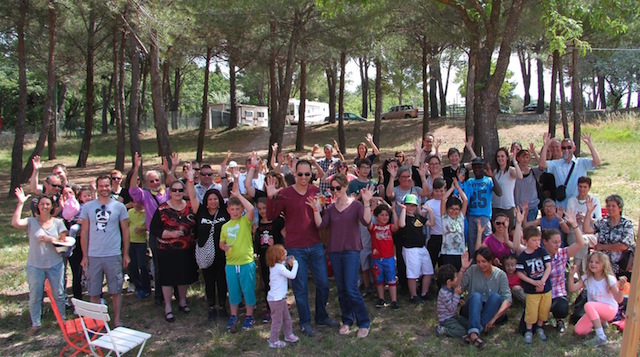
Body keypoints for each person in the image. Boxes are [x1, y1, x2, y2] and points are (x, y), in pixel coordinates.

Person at [266, 159, 338, 337]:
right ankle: (305, 322)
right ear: (294, 174)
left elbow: (320, 215)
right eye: (300, 174)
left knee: (322, 283)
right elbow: (270, 215)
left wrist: (321, 208)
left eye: (307, 174)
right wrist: (270, 197)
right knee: (300, 287)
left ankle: (321, 316)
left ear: (311, 174)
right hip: (295, 248)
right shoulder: (285, 193)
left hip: (315, 245)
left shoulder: (315, 191)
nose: (304, 177)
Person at [308, 174, 373, 338]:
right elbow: (321, 225)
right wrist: (316, 209)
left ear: (345, 187)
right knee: (342, 289)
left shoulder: (356, 205)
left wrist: (366, 203)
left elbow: (366, 222)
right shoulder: (330, 208)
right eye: (332, 188)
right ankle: (347, 320)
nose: (335, 191)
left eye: (338, 187)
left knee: (351, 288)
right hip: (335, 251)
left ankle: (364, 322)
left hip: (352, 251)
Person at [514, 206, 584, 334]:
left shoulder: (563, 253)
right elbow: (516, 245)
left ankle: (559, 320)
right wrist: (519, 223)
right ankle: (536, 314)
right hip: (536, 293)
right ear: (544, 242)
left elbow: (580, 243)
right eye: (554, 242)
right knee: (524, 330)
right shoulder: (535, 252)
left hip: (556, 293)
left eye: (559, 242)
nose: (558, 245)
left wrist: (574, 225)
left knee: (562, 309)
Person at [11, 188, 68, 334]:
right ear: (38, 206)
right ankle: (36, 324)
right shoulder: (31, 222)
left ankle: (61, 320)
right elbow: (15, 223)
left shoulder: (58, 223)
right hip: (35, 265)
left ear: (52, 207)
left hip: (55, 264)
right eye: (42, 204)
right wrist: (20, 203)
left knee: (59, 294)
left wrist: (50, 239)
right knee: (35, 295)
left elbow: (64, 243)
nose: (45, 207)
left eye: (47, 204)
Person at [79, 175, 130, 328]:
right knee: (93, 292)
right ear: (97, 187)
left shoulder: (119, 207)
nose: (104, 189)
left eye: (107, 185)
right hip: (93, 255)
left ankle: (117, 320)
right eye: (101, 186)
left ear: (111, 186)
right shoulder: (88, 207)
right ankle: (96, 322)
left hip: (113, 254)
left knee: (115, 290)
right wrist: (84, 255)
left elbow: (126, 230)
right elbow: (84, 232)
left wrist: (125, 253)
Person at [129, 152, 178, 305]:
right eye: (151, 181)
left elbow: (178, 186)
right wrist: (136, 167)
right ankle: (159, 296)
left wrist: (171, 168)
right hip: (155, 235)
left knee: (174, 263)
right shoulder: (144, 195)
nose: (155, 183)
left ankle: (176, 293)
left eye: (157, 180)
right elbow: (132, 189)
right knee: (158, 265)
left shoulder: (168, 193)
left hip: (172, 233)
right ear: (146, 183)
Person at [186, 165, 231, 321]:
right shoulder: (201, 211)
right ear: (206, 200)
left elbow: (231, 196)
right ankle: (211, 307)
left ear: (219, 200)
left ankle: (222, 306)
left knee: (222, 280)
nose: (213, 201)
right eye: (210, 199)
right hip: (206, 251)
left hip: (223, 252)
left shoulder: (225, 212)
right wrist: (190, 179)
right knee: (209, 280)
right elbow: (192, 197)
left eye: (215, 199)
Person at [149, 180, 198, 323]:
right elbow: (154, 229)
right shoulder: (162, 208)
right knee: (167, 279)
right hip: (166, 249)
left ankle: (183, 302)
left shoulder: (190, 207)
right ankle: (168, 306)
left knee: (183, 276)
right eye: (174, 190)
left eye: (180, 190)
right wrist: (170, 234)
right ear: (170, 192)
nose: (177, 193)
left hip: (186, 249)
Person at [220, 183, 257, 331]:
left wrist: (239, 196)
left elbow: (251, 209)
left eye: (238, 209)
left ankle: (249, 316)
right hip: (230, 264)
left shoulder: (245, 222)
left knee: (248, 290)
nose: (235, 212)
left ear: (241, 210)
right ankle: (234, 316)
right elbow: (221, 242)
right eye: (232, 209)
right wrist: (224, 246)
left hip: (246, 262)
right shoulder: (225, 226)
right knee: (233, 291)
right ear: (228, 210)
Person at [567, 252, 626, 346]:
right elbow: (572, 288)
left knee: (588, 305)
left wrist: (621, 288)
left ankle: (601, 336)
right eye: (591, 261)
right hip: (594, 310)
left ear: (603, 265)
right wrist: (571, 275)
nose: (593, 264)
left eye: (597, 262)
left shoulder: (609, 279)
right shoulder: (587, 277)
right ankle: (601, 323)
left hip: (609, 309)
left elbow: (619, 300)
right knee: (579, 331)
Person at [459, 248, 512, 349]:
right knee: (476, 296)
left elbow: (508, 300)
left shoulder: (500, 275)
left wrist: (494, 318)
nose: (481, 265)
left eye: (484, 261)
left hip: (490, 310)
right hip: (473, 307)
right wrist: (462, 269)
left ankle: (473, 333)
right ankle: (476, 333)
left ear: (491, 261)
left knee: (496, 297)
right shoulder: (473, 270)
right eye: (478, 261)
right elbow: (458, 288)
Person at [539, 133, 601, 208]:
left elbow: (597, 162)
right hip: (562, 205)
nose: (566, 150)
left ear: (574, 148)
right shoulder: (556, 164)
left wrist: (590, 145)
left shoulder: (581, 162)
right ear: (561, 149)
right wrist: (546, 146)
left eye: (569, 147)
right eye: (564, 148)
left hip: (578, 204)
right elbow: (542, 164)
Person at [515, 226, 552, 344]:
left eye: (538, 240)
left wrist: (543, 281)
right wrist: (533, 282)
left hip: (545, 288)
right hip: (531, 289)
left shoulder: (542, 251)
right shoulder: (523, 257)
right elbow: (520, 273)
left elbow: (548, 266)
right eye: (534, 240)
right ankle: (529, 330)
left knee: (544, 309)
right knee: (531, 310)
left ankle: (540, 328)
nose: (537, 243)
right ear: (525, 241)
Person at [583, 194, 635, 276]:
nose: (610, 208)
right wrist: (588, 212)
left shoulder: (626, 224)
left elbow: (624, 245)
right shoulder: (603, 222)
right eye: (608, 206)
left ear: (620, 208)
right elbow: (586, 230)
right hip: (601, 266)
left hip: (619, 267)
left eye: (613, 206)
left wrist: (603, 247)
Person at [398, 194, 436, 303]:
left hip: (422, 248)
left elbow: (431, 223)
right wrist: (403, 210)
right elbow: (401, 224)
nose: (411, 208)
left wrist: (430, 211)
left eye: (413, 206)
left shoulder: (418, 217)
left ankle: (424, 293)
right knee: (412, 274)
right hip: (410, 249)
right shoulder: (404, 217)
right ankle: (413, 295)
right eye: (409, 205)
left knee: (428, 271)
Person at [462, 157, 502, 256]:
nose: (477, 169)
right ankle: (472, 264)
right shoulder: (469, 182)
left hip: (484, 216)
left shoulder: (488, 181)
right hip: (471, 216)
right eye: (475, 167)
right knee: (472, 242)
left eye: (479, 167)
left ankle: (488, 262)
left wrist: (492, 176)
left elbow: (499, 193)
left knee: (486, 242)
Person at [254, 197, 285, 323]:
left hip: (277, 259)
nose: (262, 211)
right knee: (267, 282)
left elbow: (285, 236)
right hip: (264, 258)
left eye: (264, 208)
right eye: (260, 208)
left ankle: (281, 308)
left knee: (279, 284)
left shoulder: (278, 221)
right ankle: (269, 308)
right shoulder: (258, 224)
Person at [266, 244, 300, 348]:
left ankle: (288, 334)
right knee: (277, 320)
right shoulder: (279, 268)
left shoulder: (275, 266)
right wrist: (295, 263)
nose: (286, 254)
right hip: (276, 300)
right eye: (283, 254)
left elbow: (283, 264)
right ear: (277, 257)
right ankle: (273, 341)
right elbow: (292, 275)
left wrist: (286, 261)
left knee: (287, 317)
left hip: (279, 298)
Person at [368, 202, 401, 309]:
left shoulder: (390, 227)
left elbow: (397, 226)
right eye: (381, 215)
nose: (384, 217)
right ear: (376, 217)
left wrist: (394, 211)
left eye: (387, 215)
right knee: (379, 280)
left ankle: (394, 300)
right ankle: (381, 299)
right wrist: (371, 210)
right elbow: (367, 222)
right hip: (376, 258)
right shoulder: (374, 228)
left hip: (389, 258)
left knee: (391, 279)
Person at [566, 177, 602, 269]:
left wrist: (586, 218)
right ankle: (581, 270)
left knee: (583, 239)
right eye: (580, 186)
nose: (582, 189)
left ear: (589, 188)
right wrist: (574, 219)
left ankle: (577, 267)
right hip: (574, 229)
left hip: (589, 230)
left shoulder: (595, 200)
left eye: (585, 187)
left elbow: (598, 220)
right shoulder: (571, 200)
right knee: (579, 238)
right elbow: (567, 220)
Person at [439, 179, 468, 270]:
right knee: (449, 276)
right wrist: (452, 188)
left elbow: (465, 200)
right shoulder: (445, 217)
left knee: (460, 275)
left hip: (460, 253)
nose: (454, 211)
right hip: (447, 253)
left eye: (456, 209)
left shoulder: (460, 217)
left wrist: (458, 187)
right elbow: (443, 199)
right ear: (447, 209)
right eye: (451, 208)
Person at [492, 147, 523, 231]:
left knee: (507, 232)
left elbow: (520, 176)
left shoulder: (511, 170)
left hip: (507, 207)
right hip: (495, 206)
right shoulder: (495, 172)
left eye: (502, 156)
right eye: (498, 156)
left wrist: (515, 161)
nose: (500, 158)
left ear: (506, 158)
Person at [435, 263, 467, 339]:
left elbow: (452, 301)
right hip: (447, 319)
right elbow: (451, 308)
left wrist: (458, 300)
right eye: (456, 277)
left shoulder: (450, 289)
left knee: (467, 324)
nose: (457, 279)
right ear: (449, 281)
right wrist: (456, 295)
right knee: (462, 332)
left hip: (453, 316)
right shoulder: (444, 293)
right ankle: (444, 330)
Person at [514, 145, 544, 222]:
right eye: (523, 157)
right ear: (518, 158)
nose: (525, 159)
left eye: (527, 157)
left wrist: (534, 152)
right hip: (518, 207)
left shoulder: (533, 171)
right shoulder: (514, 172)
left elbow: (542, 165)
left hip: (532, 206)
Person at [127, 202, 150, 298]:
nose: (137, 204)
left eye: (139, 202)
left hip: (141, 242)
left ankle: (146, 288)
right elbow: (126, 225)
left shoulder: (146, 212)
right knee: (132, 266)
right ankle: (138, 286)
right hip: (130, 242)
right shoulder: (130, 212)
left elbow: (149, 225)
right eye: (135, 202)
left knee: (142, 265)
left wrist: (142, 229)